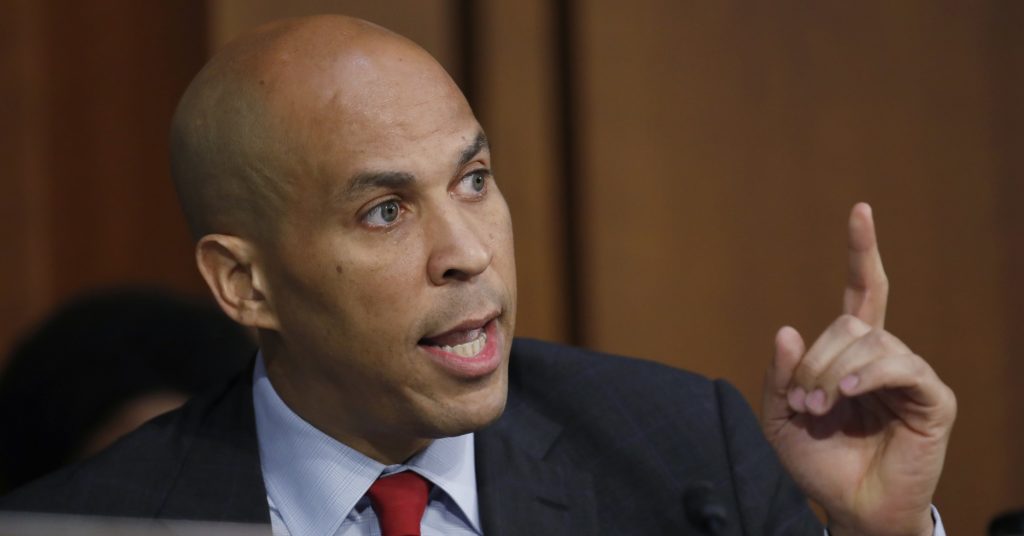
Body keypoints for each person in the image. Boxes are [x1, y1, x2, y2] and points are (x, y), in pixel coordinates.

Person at [0, 15, 955, 535]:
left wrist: (884, 533)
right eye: (385, 210)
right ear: (244, 285)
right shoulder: (95, 522)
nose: (468, 250)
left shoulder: (682, 457)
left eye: (474, 180)